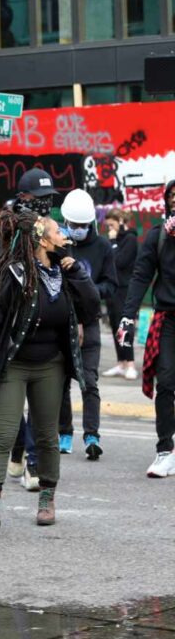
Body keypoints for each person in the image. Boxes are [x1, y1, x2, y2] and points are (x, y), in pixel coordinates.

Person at [0, 210, 100, 532]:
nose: (65, 236)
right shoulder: (15, 276)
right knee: (4, 433)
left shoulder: (67, 273)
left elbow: (92, 309)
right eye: (58, 232)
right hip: (13, 364)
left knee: (46, 436)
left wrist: (78, 273)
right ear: (42, 239)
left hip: (50, 366)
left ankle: (46, 498)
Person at [0, 169, 57, 490]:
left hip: (41, 320)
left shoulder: (49, 228)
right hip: (8, 319)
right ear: (24, 198)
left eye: (49, 200)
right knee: (5, 394)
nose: (45, 205)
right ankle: (20, 450)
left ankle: (30, 459)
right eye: (40, 199)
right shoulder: (0, 227)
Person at [118, 180, 175, 477]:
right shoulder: (158, 236)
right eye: (173, 197)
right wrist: (128, 316)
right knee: (166, 382)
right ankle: (165, 450)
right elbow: (141, 275)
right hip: (168, 319)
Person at [58, 189, 117, 460]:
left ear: (91, 223)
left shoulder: (103, 247)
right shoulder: (58, 242)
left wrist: (87, 287)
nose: (78, 230)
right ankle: (64, 432)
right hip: (61, 321)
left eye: (83, 226)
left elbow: (111, 285)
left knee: (89, 382)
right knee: (60, 381)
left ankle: (92, 435)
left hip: (90, 322)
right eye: (74, 225)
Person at [102, 208, 139, 380]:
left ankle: (130, 364)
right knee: (116, 325)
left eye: (112, 225)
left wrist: (113, 242)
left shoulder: (130, 239)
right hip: (113, 289)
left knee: (125, 326)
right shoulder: (113, 239)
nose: (110, 229)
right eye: (108, 225)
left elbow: (120, 262)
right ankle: (121, 363)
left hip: (125, 289)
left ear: (121, 222)